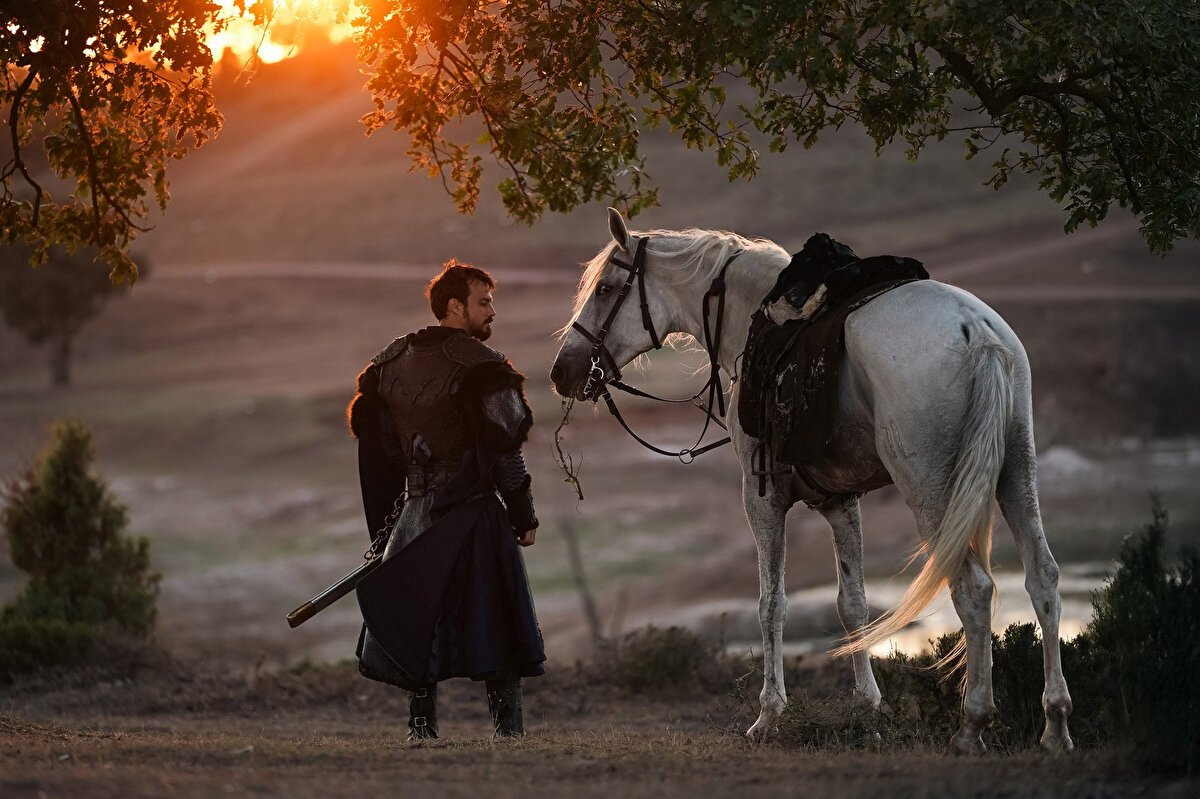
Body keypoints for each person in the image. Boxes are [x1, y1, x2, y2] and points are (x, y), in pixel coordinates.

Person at [346, 260, 544, 739]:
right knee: (495, 613)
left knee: (420, 617)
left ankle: (421, 728)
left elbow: (380, 453)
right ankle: (508, 729)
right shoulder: (483, 367)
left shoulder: (388, 364)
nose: (491, 311)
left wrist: (387, 529)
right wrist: (523, 515)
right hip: (474, 512)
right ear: (455, 306)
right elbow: (505, 449)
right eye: (484, 302)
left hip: (415, 514)